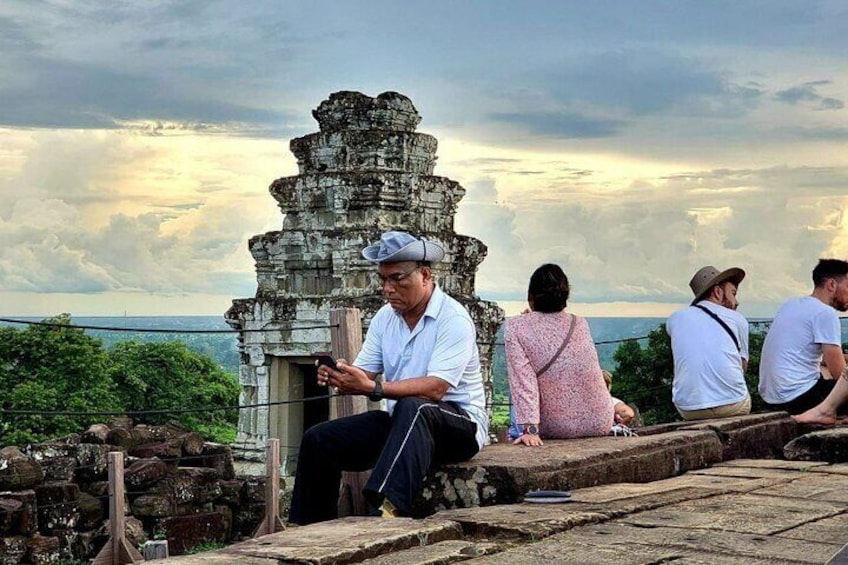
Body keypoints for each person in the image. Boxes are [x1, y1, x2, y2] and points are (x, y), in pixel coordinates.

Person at [287, 231, 487, 525]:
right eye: (383, 280)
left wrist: (374, 387)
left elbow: (436, 388)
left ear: (425, 275)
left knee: (413, 406)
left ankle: (386, 510)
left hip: (457, 427)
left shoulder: (453, 319)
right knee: (320, 439)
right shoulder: (385, 317)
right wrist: (342, 376)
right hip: (402, 425)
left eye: (397, 278)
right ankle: (308, 527)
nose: (388, 288)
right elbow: (365, 372)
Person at [504, 263, 614, 447]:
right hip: (600, 420)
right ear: (565, 297)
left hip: (558, 427)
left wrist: (530, 431)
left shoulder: (516, 327)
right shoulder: (580, 323)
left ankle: (521, 431)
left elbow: (523, 382)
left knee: (517, 402)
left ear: (530, 296)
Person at [759, 259, 848, 415]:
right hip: (800, 398)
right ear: (832, 285)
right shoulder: (825, 313)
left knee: (822, 368)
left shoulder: (791, 305)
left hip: (773, 399)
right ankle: (822, 413)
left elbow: (817, 358)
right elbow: (839, 373)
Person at [666, 265, 751, 420]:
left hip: (688, 409)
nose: (736, 302)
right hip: (732, 404)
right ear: (717, 292)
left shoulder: (675, 319)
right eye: (733, 293)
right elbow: (742, 368)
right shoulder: (738, 319)